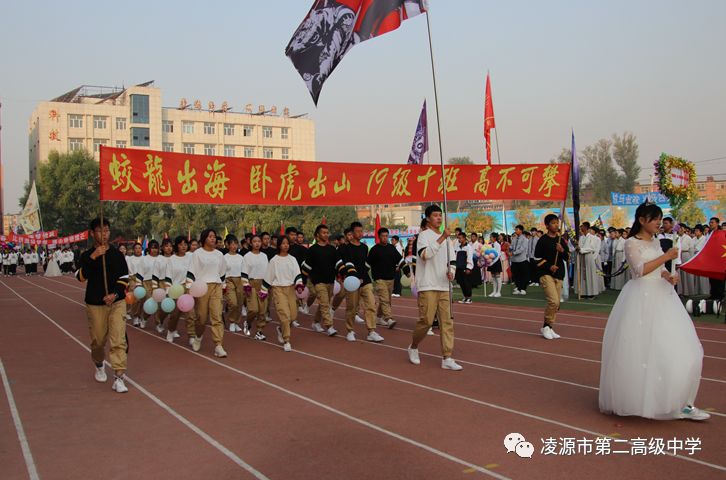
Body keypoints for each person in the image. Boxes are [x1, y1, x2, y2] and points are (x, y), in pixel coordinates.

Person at [599, 203, 709, 421]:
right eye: (655, 218)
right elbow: (640, 270)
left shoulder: (657, 241)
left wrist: (669, 276)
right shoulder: (631, 242)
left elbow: (660, 270)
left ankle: (683, 401)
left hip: (664, 298)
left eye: (660, 218)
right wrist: (666, 257)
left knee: (688, 350)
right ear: (641, 220)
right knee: (644, 354)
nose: (659, 222)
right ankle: (645, 401)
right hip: (641, 300)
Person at [76, 217, 130, 393]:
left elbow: (124, 279)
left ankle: (119, 377)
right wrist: (93, 257)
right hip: (95, 303)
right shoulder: (86, 255)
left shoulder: (117, 255)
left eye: (106, 230)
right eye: (100, 230)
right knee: (98, 341)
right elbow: (80, 277)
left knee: (118, 340)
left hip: (116, 302)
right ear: (93, 233)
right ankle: (99, 364)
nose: (104, 234)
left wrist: (114, 294)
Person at [407, 205, 463, 371]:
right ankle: (414, 346)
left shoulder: (448, 239)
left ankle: (447, 357)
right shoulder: (423, 236)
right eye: (435, 215)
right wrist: (441, 238)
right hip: (428, 284)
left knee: (447, 322)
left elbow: (452, 260)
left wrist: (451, 271)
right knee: (426, 321)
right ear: (428, 219)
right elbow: (425, 255)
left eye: (440, 215)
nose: (439, 218)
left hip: (444, 286)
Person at [339, 222, 384, 342]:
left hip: (365, 281)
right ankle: (350, 330)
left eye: (361, 231)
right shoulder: (345, 248)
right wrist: (355, 277)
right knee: (352, 307)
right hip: (352, 281)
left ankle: (371, 331)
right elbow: (348, 263)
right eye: (357, 231)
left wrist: (364, 275)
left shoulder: (364, 247)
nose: (360, 233)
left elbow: (366, 264)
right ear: (352, 233)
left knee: (371, 305)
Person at [186, 229, 228, 358]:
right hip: (201, 287)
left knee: (217, 316)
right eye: (210, 237)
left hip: (216, 286)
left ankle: (218, 345)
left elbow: (222, 272)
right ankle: (198, 336)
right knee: (202, 318)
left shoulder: (219, 254)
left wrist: (223, 285)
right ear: (204, 239)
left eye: (214, 237)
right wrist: (189, 287)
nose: (213, 239)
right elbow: (191, 272)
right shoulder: (197, 254)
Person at [303, 224, 349, 335]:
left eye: (327, 232)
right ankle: (329, 326)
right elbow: (306, 268)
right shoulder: (312, 250)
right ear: (317, 235)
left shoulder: (332, 249)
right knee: (324, 304)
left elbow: (339, 264)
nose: (326, 234)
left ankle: (316, 322)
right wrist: (302, 282)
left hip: (330, 281)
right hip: (318, 282)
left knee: (324, 303)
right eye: (323, 232)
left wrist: (346, 274)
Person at [262, 236, 305, 352]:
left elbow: (297, 273)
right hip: (278, 289)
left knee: (293, 316)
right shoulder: (274, 260)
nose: (286, 245)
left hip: (290, 289)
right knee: (285, 316)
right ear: (279, 245)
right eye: (283, 243)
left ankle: (281, 329)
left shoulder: (292, 259)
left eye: (287, 243)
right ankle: (287, 340)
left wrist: (299, 284)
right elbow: (268, 276)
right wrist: (263, 291)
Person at [535, 214, 570, 340]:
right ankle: (546, 326)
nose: (556, 225)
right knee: (554, 301)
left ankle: (549, 326)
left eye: (557, 222)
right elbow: (537, 259)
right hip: (546, 274)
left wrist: (562, 251)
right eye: (553, 223)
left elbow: (568, 257)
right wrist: (549, 266)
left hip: (559, 274)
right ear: (547, 225)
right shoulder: (542, 240)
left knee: (557, 305)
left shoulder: (561, 240)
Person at [367, 227, 403, 326]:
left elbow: (399, 260)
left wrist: (407, 271)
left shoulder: (391, 248)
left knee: (386, 301)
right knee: (384, 299)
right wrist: (362, 275)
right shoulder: (374, 249)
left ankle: (378, 317)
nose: (385, 238)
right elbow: (367, 264)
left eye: (386, 236)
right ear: (379, 237)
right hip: (379, 279)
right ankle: (389, 319)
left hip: (390, 278)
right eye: (383, 236)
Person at [165, 236, 193, 343]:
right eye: (181, 244)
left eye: (185, 244)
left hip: (188, 287)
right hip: (175, 288)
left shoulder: (190, 257)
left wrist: (190, 286)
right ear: (176, 246)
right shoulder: (172, 259)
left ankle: (191, 335)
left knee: (190, 313)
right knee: (175, 314)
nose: (183, 246)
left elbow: (193, 272)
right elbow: (168, 275)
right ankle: (171, 330)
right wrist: (168, 291)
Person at [242, 234, 270, 340]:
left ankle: (259, 331)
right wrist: (246, 286)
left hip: (263, 284)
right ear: (251, 243)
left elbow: (268, 271)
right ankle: (248, 322)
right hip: (251, 284)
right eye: (255, 241)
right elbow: (244, 273)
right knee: (253, 309)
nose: (257, 243)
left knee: (262, 310)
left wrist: (267, 285)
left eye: (259, 241)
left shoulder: (264, 256)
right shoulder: (247, 256)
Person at [223, 235, 245, 334]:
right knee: (233, 302)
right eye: (232, 244)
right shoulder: (224, 257)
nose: (234, 246)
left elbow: (244, 270)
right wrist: (223, 283)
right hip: (229, 280)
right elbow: (221, 271)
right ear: (227, 245)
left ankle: (236, 322)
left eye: (236, 243)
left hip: (239, 280)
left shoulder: (241, 257)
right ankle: (232, 321)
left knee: (240, 302)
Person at [575, 223, 604, 299]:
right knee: (583, 275)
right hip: (582, 257)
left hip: (589, 256)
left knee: (590, 274)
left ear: (587, 228)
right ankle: (584, 292)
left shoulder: (593, 238)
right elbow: (580, 247)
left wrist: (581, 249)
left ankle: (591, 293)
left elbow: (591, 248)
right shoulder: (581, 238)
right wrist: (577, 248)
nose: (581, 228)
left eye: (582, 226)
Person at [706, 217, 724, 301]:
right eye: (710, 222)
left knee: (719, 278)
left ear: (717, 223)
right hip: (710, 259)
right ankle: (713, 294)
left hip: (719, 259)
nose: (710, 224)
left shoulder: (722, 233)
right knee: (712, 277)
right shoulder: (708, 234)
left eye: (712, 222)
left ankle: (720, 295)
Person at [454, 232, 474, 303]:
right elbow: (455, 257)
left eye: (460, 238)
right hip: (459, 267)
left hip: (465, 268)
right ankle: (465, 297)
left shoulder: (468, 247)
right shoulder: (458, 247)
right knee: (461, 283)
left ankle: (469, 298)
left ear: (464, 238)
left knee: (467, 283)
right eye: (458, 238)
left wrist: (468, 268)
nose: (459, 239)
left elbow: (470, 258)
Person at [677, 226, 696, 297]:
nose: (680, 230)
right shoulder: (677, 237)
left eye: (681, 228)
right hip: (678, 255)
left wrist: (691, 259)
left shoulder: (688, 238)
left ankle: (688, 292)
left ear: (684, 229)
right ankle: (680, 291)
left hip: (686, 255)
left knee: (686, 274)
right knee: (680, 274)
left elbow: (691, 248)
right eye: (679, 229)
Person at [510, 225, 529, 295]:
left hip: (522, 259)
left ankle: (523, 288)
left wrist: (513, 253)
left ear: (521, 230)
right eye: (515, 229)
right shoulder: (514, 238)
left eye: (517, 229)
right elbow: (511, 246)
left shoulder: (525, 239)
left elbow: (522, 249)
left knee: (523, 275)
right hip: (514, 260)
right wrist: (510, 249)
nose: (516, 231)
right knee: (516, 274)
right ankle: (518, 288)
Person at [692, 225, 710, 295]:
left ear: (701, 232)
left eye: (697, 231)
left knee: (703, 276)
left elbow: (699, 249)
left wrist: (694, 249)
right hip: (694, 258)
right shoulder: (693, 239)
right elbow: (691, 248)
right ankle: (697, 290)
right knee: (696, 275)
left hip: (702, 258)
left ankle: (704, 291)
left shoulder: (705, 239)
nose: (695, 232)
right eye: (695, 230)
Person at [486, 232, 503, 297]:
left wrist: (492, 262)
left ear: (494, 238)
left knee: (497, 276)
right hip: (491, 262)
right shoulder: (490, 244)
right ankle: (494, 291)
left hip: (496, 262)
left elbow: (498, 255)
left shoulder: (497, 245)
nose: (490, 238)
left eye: (491, 237)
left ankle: (499, 292)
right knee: (493, 277)